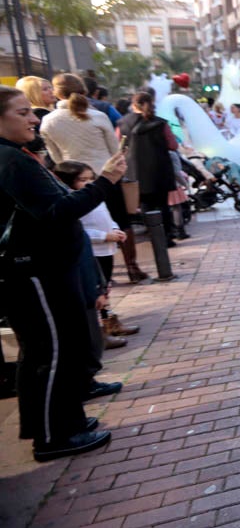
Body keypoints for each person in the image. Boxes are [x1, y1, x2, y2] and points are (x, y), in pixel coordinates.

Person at [0, 86, 124, 462]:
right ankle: (54, 436)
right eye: (22, 113)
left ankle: (59, 423)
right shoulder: (11, 161)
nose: (33, 119)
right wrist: (105, 181)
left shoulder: (15, 156)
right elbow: (57, 212)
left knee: (47, 351)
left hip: (42, 268)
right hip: (34, 271)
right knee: (50, 352)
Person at [39, 74, 147, 283]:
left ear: (57, 92)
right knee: (121, 222)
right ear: (83, 91)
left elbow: (56, 158)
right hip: (107, 178)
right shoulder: (98, 116)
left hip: (74, 181)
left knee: (84, 226)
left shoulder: (48, 121)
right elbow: (115, 151)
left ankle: (99, 277)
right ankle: (132, 267)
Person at [53, 161, 140, 346]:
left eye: (91, 179)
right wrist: (105, 236)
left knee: (105, 287)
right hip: (92, 253)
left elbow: (107, 218)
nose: (88, 183)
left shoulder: (94, 197)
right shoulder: (73, 202)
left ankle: (110, 322)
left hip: (107, 250)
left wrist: (115, 230)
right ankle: (100, 331)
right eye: (82, 180)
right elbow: (80, 231)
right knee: (96, 292)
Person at [117, 92, 181, 246]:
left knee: (145, 205)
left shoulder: (122, 123)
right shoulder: (161, 123)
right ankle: (167, 237)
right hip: (160, 170)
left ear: (133, 105)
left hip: (136, 171)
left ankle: (154, 237)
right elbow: (173, 145)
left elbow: (118, 146)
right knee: (163, 204)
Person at [15, 75, 55, 158]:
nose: (51, 91)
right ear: (32, 94)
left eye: (50, 87)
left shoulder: (52, 111)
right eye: (45, 89)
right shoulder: (39, 114)